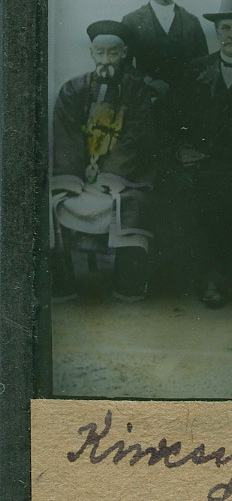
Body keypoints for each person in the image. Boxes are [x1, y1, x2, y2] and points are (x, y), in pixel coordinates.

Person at [166, 0, 232, 308]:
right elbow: (172, 121)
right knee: (184, 187)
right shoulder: (194, 70)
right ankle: (197, 271)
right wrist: (181, 149)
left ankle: (220, 273)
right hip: (201, 161)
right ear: (217, 32)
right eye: (226, 28)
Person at [49, 21, 155, 302]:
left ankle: (127, 287)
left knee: (133, 203)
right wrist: (76, 175)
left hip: (125, 175)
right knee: (54, 201)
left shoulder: (137, 91)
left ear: (124, 54)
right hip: (81, 175)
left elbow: (135, 138)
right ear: (92, 53)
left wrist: (110, 175)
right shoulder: (73, 89)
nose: (106, 60)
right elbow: (67, 136)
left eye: (113, 53)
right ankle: (63, 286)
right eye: (100, 53)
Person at [121, 0, 208, 100]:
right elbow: (123, 65)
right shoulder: (132, 21)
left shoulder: (192, 22)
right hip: (146, 100)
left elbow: (204, 63)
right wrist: (147, 82)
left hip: (186, 101)